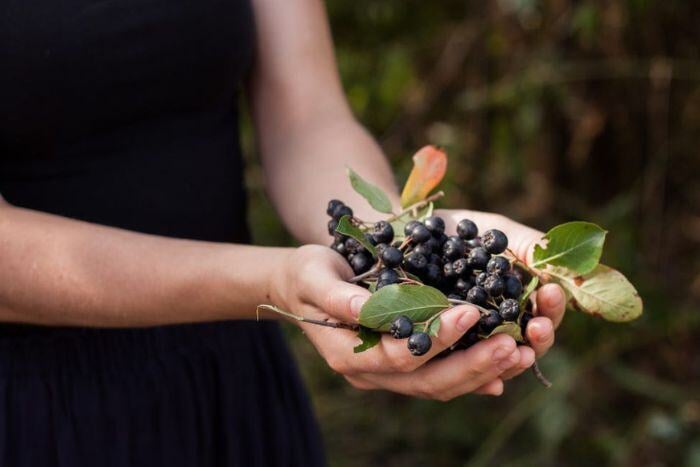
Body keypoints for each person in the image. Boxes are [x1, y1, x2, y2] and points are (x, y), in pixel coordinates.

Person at [0, 0, 565, 465]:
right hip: (32, 405)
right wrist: (269, 282)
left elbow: (307, 116)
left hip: (229, 377)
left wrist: (396, 240)